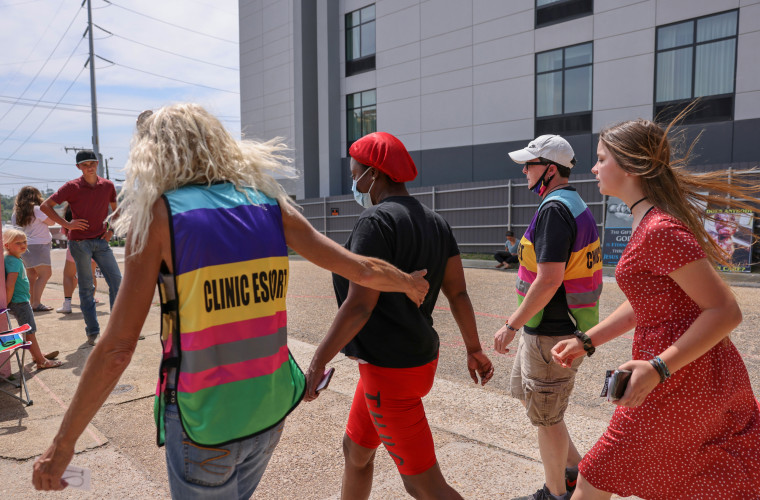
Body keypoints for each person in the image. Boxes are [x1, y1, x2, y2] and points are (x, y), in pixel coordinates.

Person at [31, 104, 429, 498]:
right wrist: (407, 282)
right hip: (269, 411)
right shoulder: (269, 204)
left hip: (205, 419)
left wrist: (62, 446)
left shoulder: (160, 217)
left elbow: (118, 349)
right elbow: (359, 269)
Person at [551, 117, 760, 499]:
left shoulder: (659, 228)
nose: (594, 168)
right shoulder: (647, 221)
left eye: (601, 159)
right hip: (684, 376)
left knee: (595, 475)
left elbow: (726, 311)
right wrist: (587, 340)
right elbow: (647, 303)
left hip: (677, 379)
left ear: (631, 166)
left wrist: (657, 367)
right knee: (689, 476)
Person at [304, 131, 494, 500]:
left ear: (374, 174)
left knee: (424, 485)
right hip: (410, 360)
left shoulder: (375, 222)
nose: (354, 181)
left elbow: (360, 305)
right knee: (356, 452)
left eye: (355, 172)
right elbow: (458, 292)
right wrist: (473, 348)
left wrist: (317, 362)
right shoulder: (436, 222)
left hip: (390, 371)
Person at [493, 135, 602, 500]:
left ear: (550, 170)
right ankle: (573, 468)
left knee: (547, 418)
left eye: (530, 164)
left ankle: (555, 493)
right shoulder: (570, 204)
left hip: (550, 335)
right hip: (549, 331)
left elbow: (550, 278)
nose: (524, 170)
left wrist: (511, 325)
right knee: (535, 403)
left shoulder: (555, 210)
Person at [40, 150, 122, 345]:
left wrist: (110, 231)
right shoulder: (72, 187)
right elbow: (45, 206)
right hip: (79, 243)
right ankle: (92, 331)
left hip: (101, 241)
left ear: (97, 164)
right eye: (85, 165)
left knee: (117, 283)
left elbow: (116, 210)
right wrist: (67, 225)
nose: (90, 167)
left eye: (92, 163)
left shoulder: (108, 185)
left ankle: (116, 330)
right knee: (86, 287)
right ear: (79, 167)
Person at [3, 227, 61, 370]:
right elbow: (10, 285)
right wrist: (7, 302)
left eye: (24, 242)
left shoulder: (11, 259)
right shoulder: (13, 262)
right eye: (18, 243)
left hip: (19, 300)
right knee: (30, 331)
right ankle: (41, 361)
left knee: (29, 331)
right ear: (7, 245)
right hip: (19, 302)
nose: (23, 245)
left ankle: (37, 355)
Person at [10, 186, 55, 312]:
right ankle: (36, 303)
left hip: (24, 246)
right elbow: (51, 222)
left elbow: (15, 230)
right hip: (40, 245)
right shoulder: (37, 209)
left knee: (31, 275)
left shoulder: (16, 213)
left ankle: (31, 303)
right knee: (45, 274)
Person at [57, 206, 99, 314]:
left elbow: (65, 233)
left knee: (68, 276)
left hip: (74, 247)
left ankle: (67, 304)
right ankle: (89, 302)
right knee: (91, 276)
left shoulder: (68, 219)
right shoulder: (92, 215)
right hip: (91, 248)